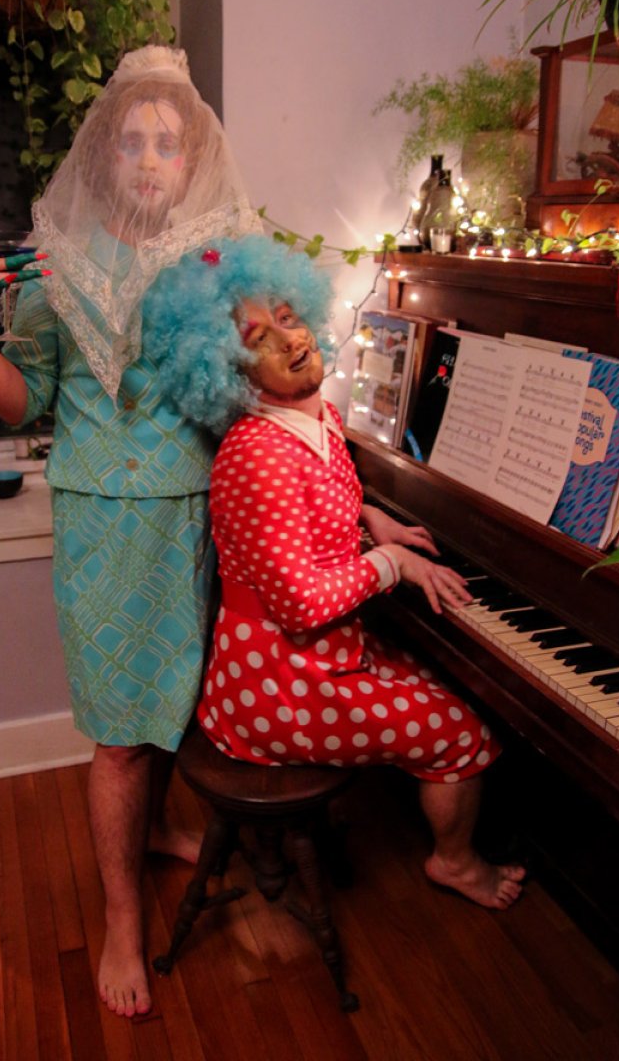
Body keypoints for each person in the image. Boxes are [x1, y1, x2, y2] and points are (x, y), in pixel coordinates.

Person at [0, 46, 262, 1018]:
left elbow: (243, 402)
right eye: (129, 140)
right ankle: (121, 919)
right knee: (119, 740)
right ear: (101, 157)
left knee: (170, 710)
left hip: (191, 519)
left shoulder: (219, 269)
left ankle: (156, 828)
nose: (147, 159)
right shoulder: (55, 271)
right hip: (100, 525)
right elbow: (18, 402)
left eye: (166, 144)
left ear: (192, 159)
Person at [143, 235, 526, 911]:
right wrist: (391, 563)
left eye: (289, 318)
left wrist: (370, 520)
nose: (289, 341)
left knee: (453, 693)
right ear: (226, 368)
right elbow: (298, 604)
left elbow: (316, 510)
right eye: (257, 338)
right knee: (466, 735)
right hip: (276, 684)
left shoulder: (313, 415)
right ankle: (454, 862)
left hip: (316, 661)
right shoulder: (257, 454)